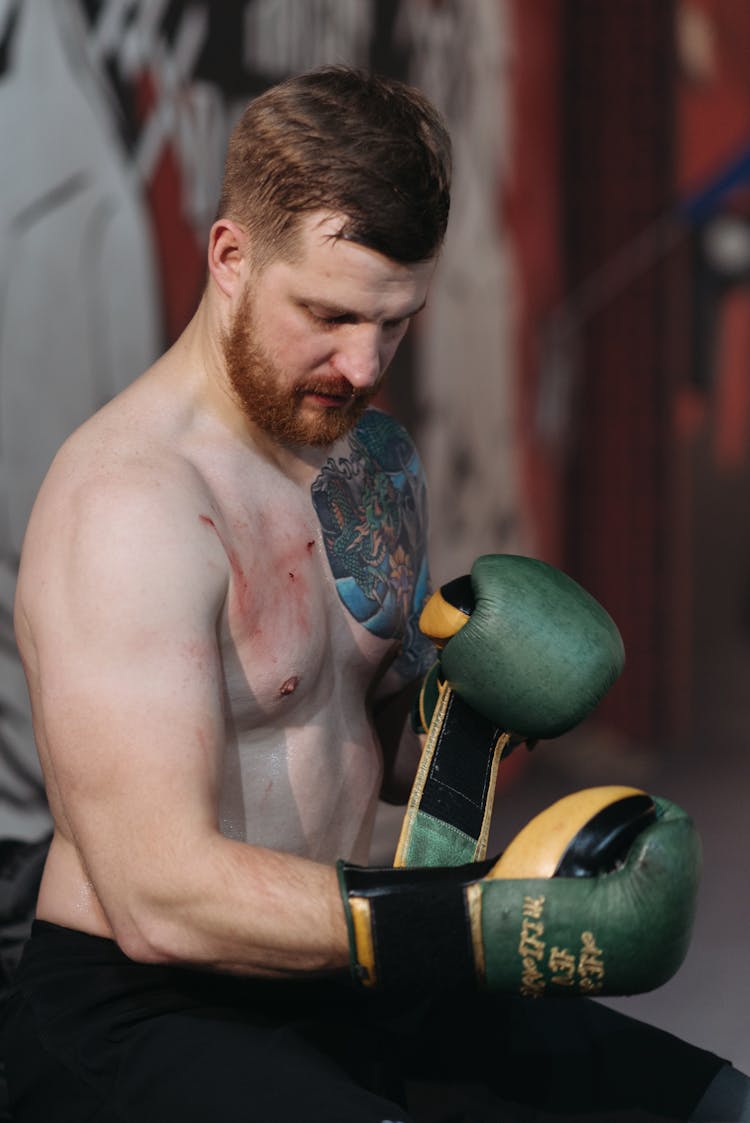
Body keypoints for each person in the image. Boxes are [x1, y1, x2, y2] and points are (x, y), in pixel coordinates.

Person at [2, 66, 748, 1123]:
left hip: (352, 972)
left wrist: (477, 706)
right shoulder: (131, 506)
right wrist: (483, 920)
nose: (361, 364)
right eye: (329, 314)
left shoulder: (371, 461)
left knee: (712, 1105)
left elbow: (362, 744)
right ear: (230, 257)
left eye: (395, 324)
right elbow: (156, 898)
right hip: (149, 1012)